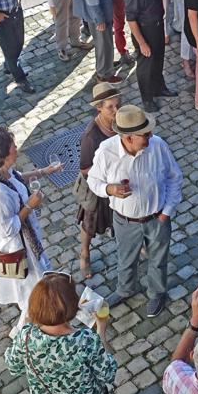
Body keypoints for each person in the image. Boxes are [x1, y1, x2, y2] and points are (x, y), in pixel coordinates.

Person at [87, 105, 183, 316]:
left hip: (157, 218)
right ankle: (125, 289)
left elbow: (175, 177)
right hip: (124, 220)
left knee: (158, 260)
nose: (151, 136)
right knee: (125, 258)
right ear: (128, 138)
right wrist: (109, 189)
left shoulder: (157, 146)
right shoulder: (106, 151)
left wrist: (167, 212)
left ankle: (157, 293)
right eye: (145, 134)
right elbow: (93, 180)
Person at [5, 272, 119, 394]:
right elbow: (108, 373)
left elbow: (13, 367)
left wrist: (27, 324)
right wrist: (101, 330)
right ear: (72, 307)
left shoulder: (26, 336)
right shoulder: (85, 339)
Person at [0, 126, 59, 313]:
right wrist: (29, 205)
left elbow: (16, 178)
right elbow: (6, 230)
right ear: (4, 155)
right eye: (13, 146)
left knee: (39, 291)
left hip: (29, 245)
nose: (16, 147)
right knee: (33, 297)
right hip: (20, 252)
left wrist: (44, 172)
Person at [78, 83, 121, 278]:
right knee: (89, 222)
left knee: (123, 217)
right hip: (96, 186)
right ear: (99, 108)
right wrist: (104, 184)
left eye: (117, 105)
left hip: (117, 181)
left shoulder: (119, 121)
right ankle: (85, 254)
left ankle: (136, 244)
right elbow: (85, 169)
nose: (116, 110)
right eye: (110, 107)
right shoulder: (91, 137)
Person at [125, 0, 173, 113]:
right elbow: (130, 18)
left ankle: (159, 87)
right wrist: (142, 42)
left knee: (159, 58)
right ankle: (147, 99)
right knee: (146, 65)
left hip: (157, 25)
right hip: (146, 30)